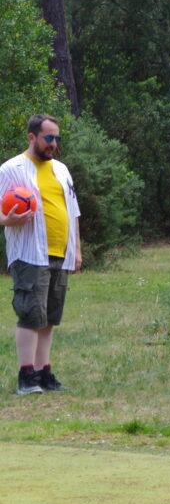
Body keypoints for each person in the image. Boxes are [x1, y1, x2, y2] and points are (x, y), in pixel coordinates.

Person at [0, 114, 81, 395]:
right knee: (30, 314)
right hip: (29, 253)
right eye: (49, 138)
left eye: (57, 138)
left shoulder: (61, 170)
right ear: (32, 137)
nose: (54, 143)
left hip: (61, 253)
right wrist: (7, 220)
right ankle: (26, 377)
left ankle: (43, 372)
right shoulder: (11, 169)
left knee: (49, 317)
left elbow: (73, 211)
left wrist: (77, 249)